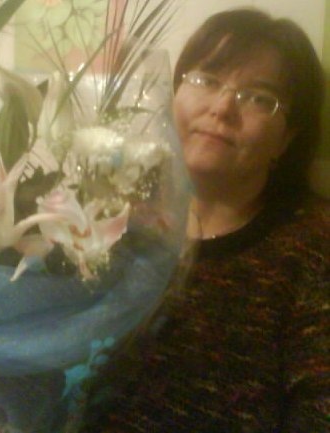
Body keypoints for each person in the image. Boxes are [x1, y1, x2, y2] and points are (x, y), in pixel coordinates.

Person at [82, 8, 329, 433]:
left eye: (258, 97)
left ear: (288, 137)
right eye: (207, 80)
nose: (222, 108)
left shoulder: (314, 248)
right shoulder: (112, 211)